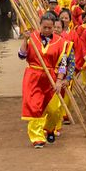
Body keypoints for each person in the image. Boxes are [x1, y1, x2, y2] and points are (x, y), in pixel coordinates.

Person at [18, 13, 72, 148]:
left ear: (54, 27)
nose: (47, 30)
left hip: (51, 78)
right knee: (35, 108)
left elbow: (63, 64)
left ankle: (49, 128)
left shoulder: (60, 42)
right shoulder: (31, 37)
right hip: (33, 77)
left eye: (50, 28)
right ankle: (37, 138)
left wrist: (59, 80)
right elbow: (21, 55)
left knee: (54, 109)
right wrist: (25, 40)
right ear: (39, 26)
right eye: (44, 27)